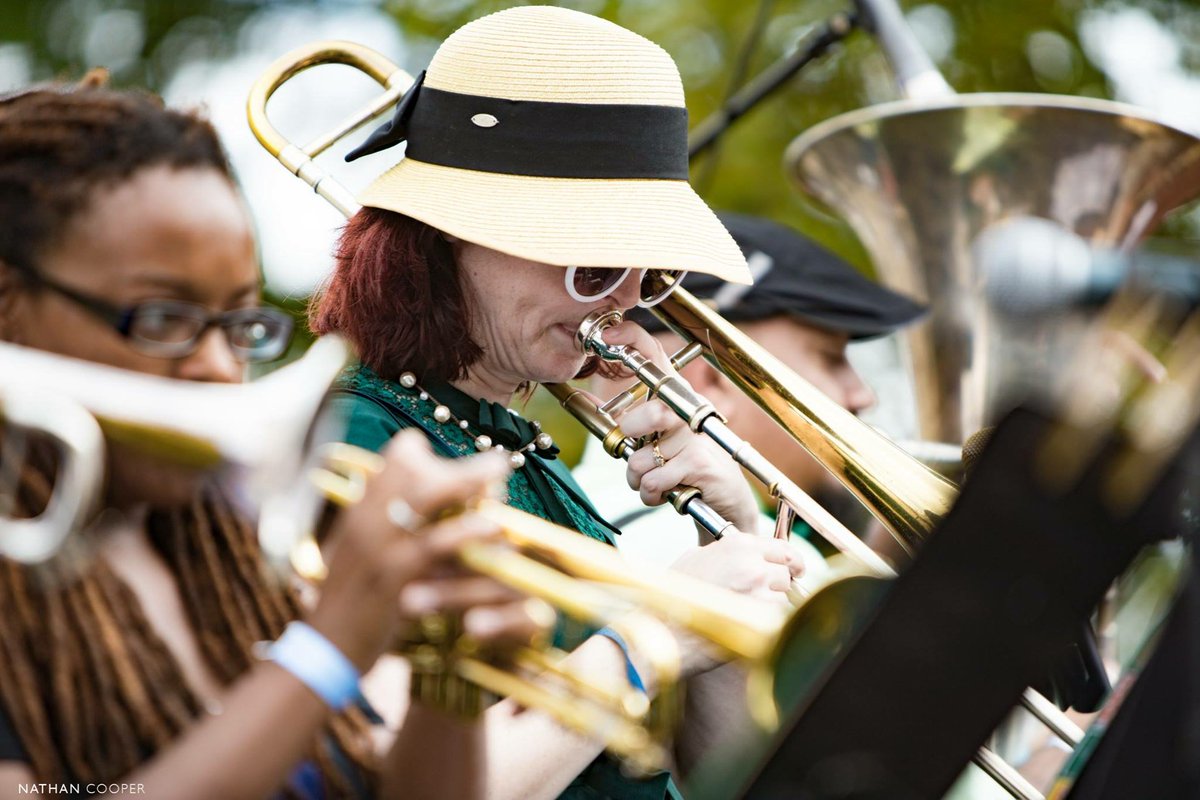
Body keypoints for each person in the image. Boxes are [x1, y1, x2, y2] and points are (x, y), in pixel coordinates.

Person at [309, 7, 808, 799]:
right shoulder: (354, 441)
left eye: (652, 276)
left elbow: (713, 780)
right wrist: (652, 635)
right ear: (449, 236)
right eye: (596, 265)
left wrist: (735, 550)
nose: (625, 303)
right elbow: (408, 782)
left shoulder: (518, 448)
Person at [0, 73, 543, 800]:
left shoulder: (234, 540)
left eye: (240, 326)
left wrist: (451, 685)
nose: (222, 370)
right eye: (162, 318)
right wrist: (327, 647)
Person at [575, 211, 926, 572]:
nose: (863, 395)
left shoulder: (583, 517)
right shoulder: (684, 545)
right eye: (831, 359)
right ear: (711, 380)